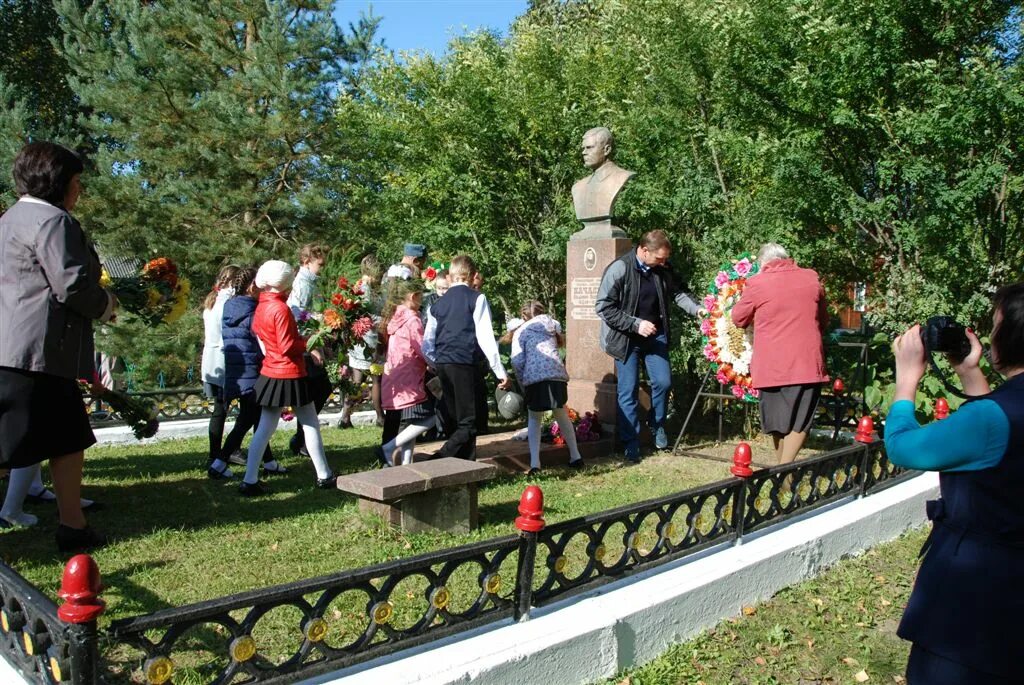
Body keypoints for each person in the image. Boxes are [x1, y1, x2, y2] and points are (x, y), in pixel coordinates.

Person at [885, 283, 1024, 684]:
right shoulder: (1002, 414)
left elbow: (903, 447)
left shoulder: (992, 420)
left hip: (972, 611)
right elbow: (998, 445)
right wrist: (968, 371)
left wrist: (906, 379)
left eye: (996, 325)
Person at [0, 141, 114, 551]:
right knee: (56, 441)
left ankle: (73, 524)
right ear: (59, 181)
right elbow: (71, 285)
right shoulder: (53, 221)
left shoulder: (11, 218)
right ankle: (71, 525)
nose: (79, 189)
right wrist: (107, 305)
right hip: (38, 353)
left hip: (14, 349)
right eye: (77, 180)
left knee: (63, 438)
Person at [594, 229, 699, 462]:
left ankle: (656, 424)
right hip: (625, 338)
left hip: (655, 336)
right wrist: (635, 324)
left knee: (663, 381)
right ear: (643, 250)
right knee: (628, 390)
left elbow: (679, 293)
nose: (664, 262)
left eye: (665, 258)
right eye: (659, 258)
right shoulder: (620, 269)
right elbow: (603, 307)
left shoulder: (662, 269)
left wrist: (699, 310)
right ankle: (631, 442)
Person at [239, 260, 335, 495]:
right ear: (284, 283)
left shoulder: (262, 305)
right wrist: (310, 342)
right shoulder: (279, 308)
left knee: (264, 428)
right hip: (290, 372)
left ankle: (249, 479)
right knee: (310, 423)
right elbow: (287, 345)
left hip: (271, 372)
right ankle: (324, 475)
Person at [731, 243, 829, 464]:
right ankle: (784, 472)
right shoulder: (811, 278)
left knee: (776, 422)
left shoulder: (758, 283)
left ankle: (783, 470)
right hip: (807, 362)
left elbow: (738, 317)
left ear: (763, 264)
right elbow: (823, 320)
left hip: (772, 365)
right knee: (800, 421)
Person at [423, 255, 512, 460]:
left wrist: (435, 363)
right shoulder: (476, 298)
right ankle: (440, 458)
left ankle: (466, 469)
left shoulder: (437, 304)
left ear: (452, 276)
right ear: (471, 275)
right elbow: (486, 338)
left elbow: (427, 342)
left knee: (457, 419)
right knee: (469, 423)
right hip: (463, 363)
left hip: (443, 362)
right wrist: (500, 371)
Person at [214, 266, 284, 478]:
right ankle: (218, 463)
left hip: (238, 369)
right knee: (248, 418)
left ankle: (269, 461)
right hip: (254, 369)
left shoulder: (230, 306)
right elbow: (261, 338)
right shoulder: (254, 309)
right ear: (252, 286)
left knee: (256, 417)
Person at [510, 301, 584, 476]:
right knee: (562, 414)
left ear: (523, 317)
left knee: (534, 418)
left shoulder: (521, 331)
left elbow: (516, 360)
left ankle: (535, 464)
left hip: (534, 378)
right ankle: (576, 456)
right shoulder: (552, 327)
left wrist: (522, 380)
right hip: (556, 375)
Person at [377, 279, 434, 466]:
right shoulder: (412, 319)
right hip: (410, 381)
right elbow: (422, 347)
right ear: (413, 297)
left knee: (411, 423)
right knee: (432, 418)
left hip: (395, 379)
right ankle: (390, 447)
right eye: (421, 297)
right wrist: (434, 364)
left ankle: (406, 462)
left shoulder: (394, 317)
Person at [286, 243, 331, 457]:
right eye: (319, 264)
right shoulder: (303, 284)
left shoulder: (311, 282)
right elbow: (297, 317)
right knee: (316, 390)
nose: (322, 268)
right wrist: (312, 345)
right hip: (304, 345)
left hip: (311, 342)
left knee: (317, 390)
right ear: (306, 262)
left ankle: (301, 438)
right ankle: (301, 439)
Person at [201, 264, 240, 471]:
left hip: (211, 360)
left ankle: (218, 451)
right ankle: (224, 451)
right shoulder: (227, 302)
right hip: (224, 360)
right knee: (226, 408)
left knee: (220, 408)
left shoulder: (212, 300)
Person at [339, 254, 385, 429]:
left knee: (359, 380)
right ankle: (379, 417)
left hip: (366, 340)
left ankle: (345, 417)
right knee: (374, 379)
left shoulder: (366, 288)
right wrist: (384, 321)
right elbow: (366, 316)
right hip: (367, 339)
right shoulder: (364, 289)